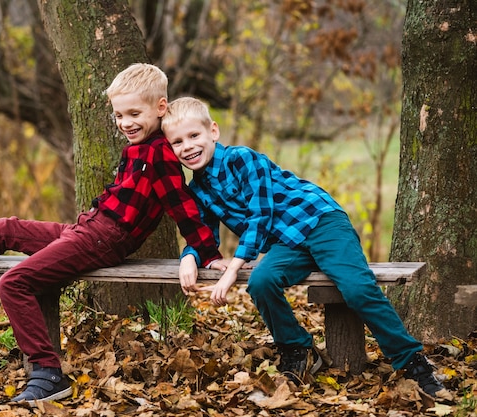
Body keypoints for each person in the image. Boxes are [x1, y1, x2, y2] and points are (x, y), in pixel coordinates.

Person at [0, 65, 224, 405]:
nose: (125, 123)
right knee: (3, 228)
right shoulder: (138, 147)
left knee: (13, 283)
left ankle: (47, 372)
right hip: (89, 230)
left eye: (134, 113)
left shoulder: (161, 153)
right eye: (119, 115)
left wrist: (208, 254)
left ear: (160, 107)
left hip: (105, 240)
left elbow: (182, 206)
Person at [160, 96, 447, 397]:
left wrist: (232, 268)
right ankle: (297, 347)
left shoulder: (242, 159)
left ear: (213, 132)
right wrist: (190, 256)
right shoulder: (198, 190)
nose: (187, 146)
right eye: (177, 142)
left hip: (320, 221)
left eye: (194, 135)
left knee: (356, 287)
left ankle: (412, 360)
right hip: (286, 243)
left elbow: (261, 215)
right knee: (261, 281)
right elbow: (201, 233)